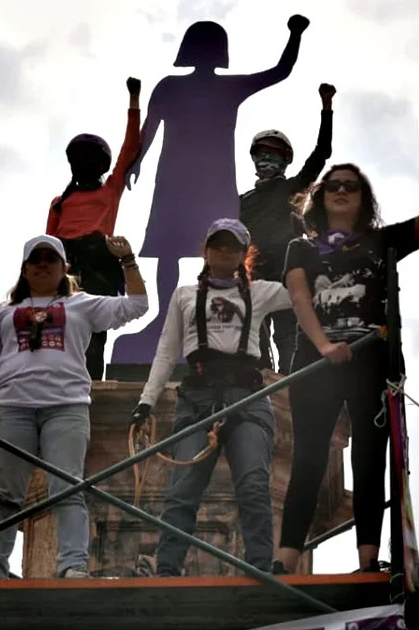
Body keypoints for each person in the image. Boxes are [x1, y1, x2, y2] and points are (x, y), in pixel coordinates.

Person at [273, 121, 419, 574]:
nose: (341, 191)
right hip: (315, 359)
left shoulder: (382, 241)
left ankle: (366, 557)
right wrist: (324, 346)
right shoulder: (300, 248)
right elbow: (299, 298)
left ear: (363, 199)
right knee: (309, 455)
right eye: (333, 185)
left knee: (369, 455)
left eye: (351, 187)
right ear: (319, 198)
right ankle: (286, 557)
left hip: (370, 356)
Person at [111, 15, 309, 367]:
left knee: (213, 248)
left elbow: (281, 70)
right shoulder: (171, 87)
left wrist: (295, 34)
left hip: (209, 183)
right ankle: (164, 319)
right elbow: (150, 127)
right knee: (168, 250)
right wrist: (136, 160)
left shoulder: (212, 87)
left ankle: (206, 311)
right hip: (177, 180)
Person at [0, 234, 149, 579]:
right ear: (25, 269)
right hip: (13, 407)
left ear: (65, 267)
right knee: (5, 493)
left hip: (66, 405)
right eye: (36, 259)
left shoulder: (82, 305)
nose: (43, 264)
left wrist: (128, 261)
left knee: (68, 486)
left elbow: (137, 305)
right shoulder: (4, 312)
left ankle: (72, 566)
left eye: (51, 258)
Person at [129, 218, 291, 577]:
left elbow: (304, 292)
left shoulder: (262, 292)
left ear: (242, 253)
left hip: (246, 396)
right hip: (198, 395)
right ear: (205, 249)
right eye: (218, 243)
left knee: (252, 484)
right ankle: (167, 570)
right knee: (182, 490)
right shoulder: (186, 295)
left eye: (232, 245)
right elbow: (167, 352)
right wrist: (146, 402)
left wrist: (310, 251)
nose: (224, 250)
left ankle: (259, 568)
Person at [46, 77, 143, 381]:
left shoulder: (109, 190)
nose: (85, 163)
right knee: (54, 330)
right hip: (65, 264)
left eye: (91, 159)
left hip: (99, 261)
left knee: (93, 335)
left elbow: (130, 149)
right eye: (81, 159)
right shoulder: (60, 202)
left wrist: (134, 100)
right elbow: (46, 245)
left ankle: (89, 389)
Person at [239, 82, 336, 374]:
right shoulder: (241, 200)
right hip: (251, 270)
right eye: (262, 154)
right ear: (253, 160)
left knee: (287, 331)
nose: (267, 160)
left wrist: (327, 108)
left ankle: (292, 382)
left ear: (285, 161)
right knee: (252, 329)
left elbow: (321, 154)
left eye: (275, 155)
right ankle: (258, 378)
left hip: (286, 269)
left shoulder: (292, 189)